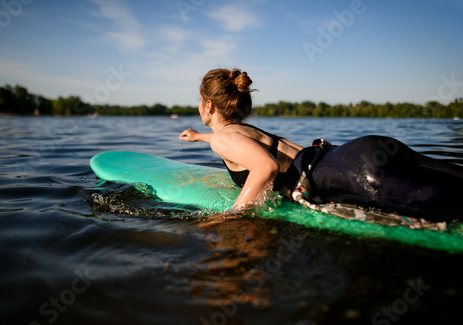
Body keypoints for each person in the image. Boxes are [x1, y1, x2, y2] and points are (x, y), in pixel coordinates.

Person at [179, 68, 463, 222]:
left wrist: (234, 214)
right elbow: (247, 148)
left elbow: (265, 166)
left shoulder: (224, 138)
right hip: (359, 150)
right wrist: (198, 136)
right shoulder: (241, 132)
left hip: (354, 176)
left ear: (207, 104)